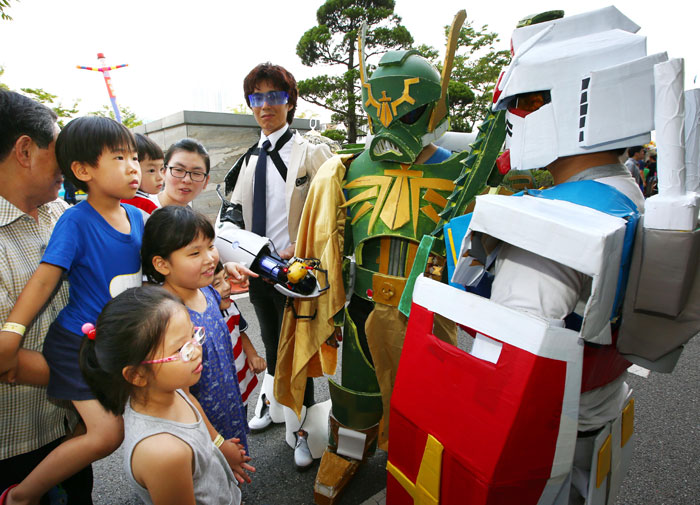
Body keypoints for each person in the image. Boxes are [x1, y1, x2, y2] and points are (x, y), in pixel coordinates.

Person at [0, 115, 143, 505]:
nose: (133, 166)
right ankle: (21, 496)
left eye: (134, 156)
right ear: (83, 170)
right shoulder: (74, 221)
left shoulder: (136, 217)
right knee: (107, 433)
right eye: (119, 157)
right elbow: (45, 279)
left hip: (109, 345)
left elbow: (162, 263)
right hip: (76, 345)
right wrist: (12, 331)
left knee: (90, 434)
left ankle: (49, 481)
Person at [223, 62, 333, 469]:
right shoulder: (250, 157)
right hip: (257, 270)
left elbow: (332, 214)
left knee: (300, 353)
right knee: (272, 344)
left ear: (289, 101)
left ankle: (302, 427)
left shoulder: (312, 150)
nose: (265, 105)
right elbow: (235, 209)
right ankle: (272, 401)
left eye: (274, 96)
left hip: (298, 272)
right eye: (257, 98)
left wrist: (305, 250)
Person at [0, 90, 92, 503]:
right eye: (58, 147)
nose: (68, 163)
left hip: (71, 429)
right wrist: (94, 381)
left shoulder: (62, 215)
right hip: (15, 447)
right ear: (24, 149)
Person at [79, 285, 252, 504]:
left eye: (193, 335)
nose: (198, 349)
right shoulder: (164, 453)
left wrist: (218, 443)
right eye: (181, 349)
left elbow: (190, 401)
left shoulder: (171, 387)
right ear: (137, 374)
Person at [141, 205, 249, 453]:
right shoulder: (168, 317)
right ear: (162, 264)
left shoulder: (208, 292)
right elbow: (180, 394)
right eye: (194, 253)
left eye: (210, 246)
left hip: (228, 405)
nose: (210, 258)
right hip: (200, 430)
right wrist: (218, 443)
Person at [211, 262, 265, 410]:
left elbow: (240, 332)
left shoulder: (232, 307)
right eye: (217, 283)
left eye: (226, 278)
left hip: (240, 379)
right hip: (221, 393)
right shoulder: (201, 322)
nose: (227, 286)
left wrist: (253, 355)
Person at [150, 138, 210, 209]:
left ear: (206, 181)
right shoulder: (141, 211)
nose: (187, 180)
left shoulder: (193, 218)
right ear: (163, 171)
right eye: (179, 170)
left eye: (196, 173)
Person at [122, 133, 165, 215]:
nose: (160, 177)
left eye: (161, 169)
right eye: (152, 171)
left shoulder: (118, 201)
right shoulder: (147, 207)